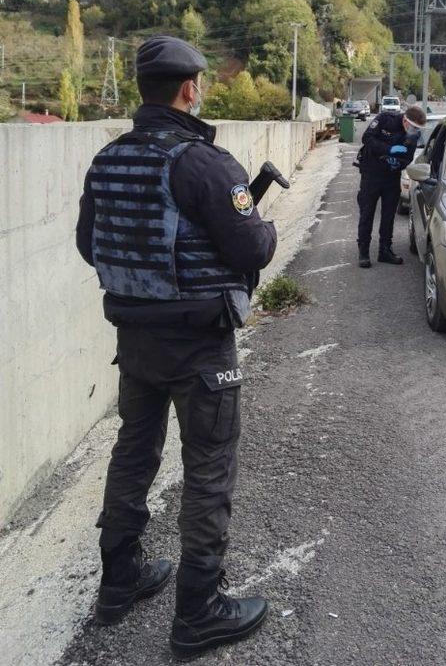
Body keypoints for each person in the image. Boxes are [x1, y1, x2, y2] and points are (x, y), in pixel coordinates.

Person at [75, 35, 277, 658]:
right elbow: (252, 248)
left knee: (134, 453)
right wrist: (263, 226)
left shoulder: (108, 159)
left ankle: (119, 580)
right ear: (190, 89)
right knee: (209, 468)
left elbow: (89, 245)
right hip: (200, 347)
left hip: (135, 339)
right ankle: (199, 611)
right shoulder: (205, 163)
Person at [356, 104, 427, 267]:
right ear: (405, 120)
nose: (415, 131)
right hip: (371, 174)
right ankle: (364, 252)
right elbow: (367, 138)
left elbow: (408, 157)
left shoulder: (412, 136)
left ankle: (385, 251)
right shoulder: (385, 119)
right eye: (414, 127)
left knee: (388, 216)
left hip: (391, 177)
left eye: (418, 129)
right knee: (367, 213)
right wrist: (389, 150)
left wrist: (398, 164)